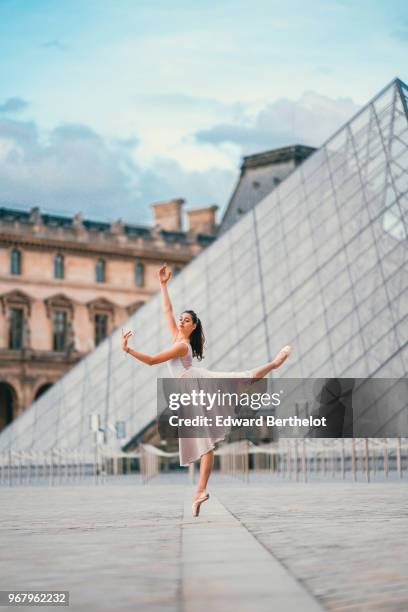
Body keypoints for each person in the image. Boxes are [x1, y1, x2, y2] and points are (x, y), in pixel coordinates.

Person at [121, 264, 292, 517]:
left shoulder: (181, 346)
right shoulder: (178, 338)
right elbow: (167, 310)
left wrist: (128, 350)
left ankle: (275, 363)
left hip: (195, 387)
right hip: (190, 390)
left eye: (186, 320)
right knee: (206, 443)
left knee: (237, 384)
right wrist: (163, 285)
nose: (180, 321)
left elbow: (152, 360)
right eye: (181, 319)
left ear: (192, 327)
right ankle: (200, 491)